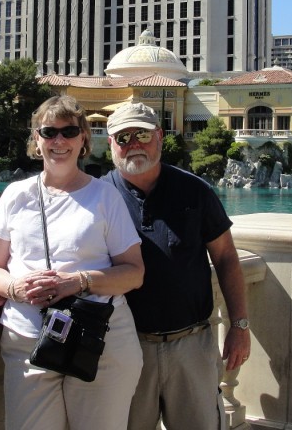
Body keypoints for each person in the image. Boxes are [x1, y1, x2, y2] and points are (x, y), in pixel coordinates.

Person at [0, 95, 144, 430]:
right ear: (37, 139)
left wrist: (79, 281)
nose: (59, 140)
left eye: (69, 131)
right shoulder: (15, 196)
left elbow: (134, 272)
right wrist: (13, 288)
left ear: (83, 139)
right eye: (49, 132)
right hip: (27, 342)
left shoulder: (105, 197)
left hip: (101, 339)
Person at [102, 101, 251, 430]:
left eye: (142, 134)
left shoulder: (195, 191)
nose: (134, 144)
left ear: (160, 136)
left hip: (192, 345)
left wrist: (239, 326)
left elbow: (226, 257)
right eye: (123, 138)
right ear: (110, 143)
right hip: (125, 348)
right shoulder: (98, 197)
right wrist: (8, 288)